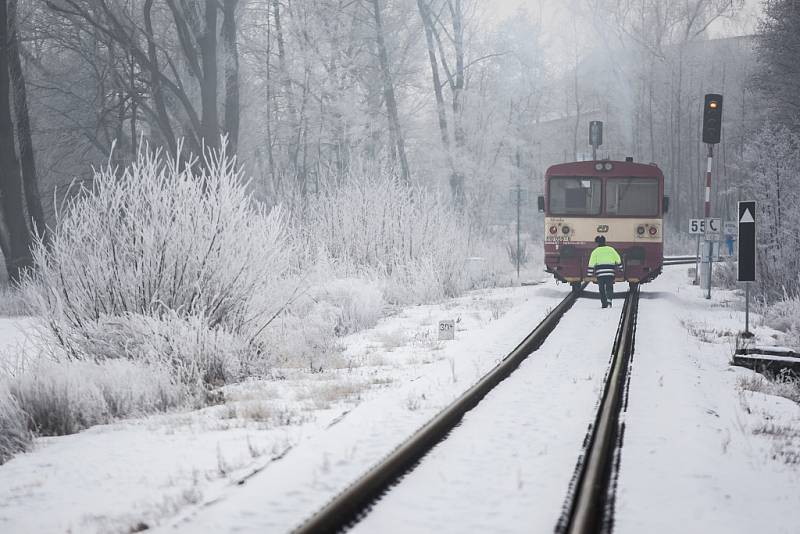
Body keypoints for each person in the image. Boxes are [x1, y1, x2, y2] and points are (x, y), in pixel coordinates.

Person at [588, 235, 622, 309]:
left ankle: (604, 303)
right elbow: (618, 259)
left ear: (597, 243)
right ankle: (609, 300)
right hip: (610, 273)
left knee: (601, 289)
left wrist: (589, 274)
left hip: (600, 274)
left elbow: (591, 263)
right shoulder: (611, 249)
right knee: (609, 287)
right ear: (605, 241)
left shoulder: (595, 251)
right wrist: (620, 268)